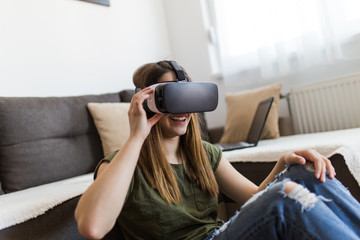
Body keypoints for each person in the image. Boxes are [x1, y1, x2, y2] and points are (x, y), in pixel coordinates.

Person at [75, 61, 360, 240]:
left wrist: (284, 166)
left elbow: (252, 199)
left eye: (185, 94)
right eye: (170, 97)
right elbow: (93, 227)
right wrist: (137, 136)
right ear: (148, 101)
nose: (183, 109)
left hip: (222, 233)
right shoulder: (121, 165)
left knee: (304, 171)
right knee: (282, 195)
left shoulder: (204, 153)